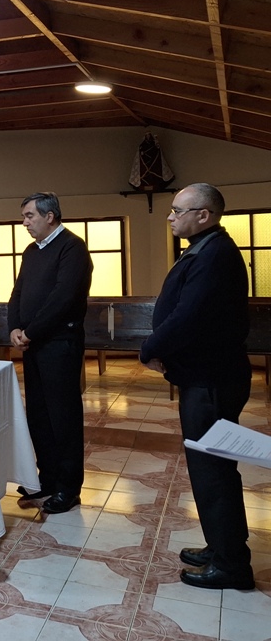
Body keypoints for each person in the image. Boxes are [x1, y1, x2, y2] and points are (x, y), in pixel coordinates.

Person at [140, 183, 255, 590]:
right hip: (206, 377)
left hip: (212, 380)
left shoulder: (215, 255)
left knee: (214, 472)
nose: (170, 217)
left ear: (203, 215)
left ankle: (231, 565)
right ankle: (221, 546)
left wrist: (150, 348)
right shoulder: (207, 247)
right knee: (211, 470)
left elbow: (189, 316)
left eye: (178, 210)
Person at [7, 193, 93, 514]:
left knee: (63, 417)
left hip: (59, 344)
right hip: (32, 343)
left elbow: (63, 298)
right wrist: (15, 327)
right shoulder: (32, 251)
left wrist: (30, 332)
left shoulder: (72, 247)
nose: (25, 222)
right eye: (24, 216)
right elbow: (18, 292)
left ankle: (68, 488)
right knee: (39, 416)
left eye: (29, 216)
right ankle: (47, 478)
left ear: (50, 216)